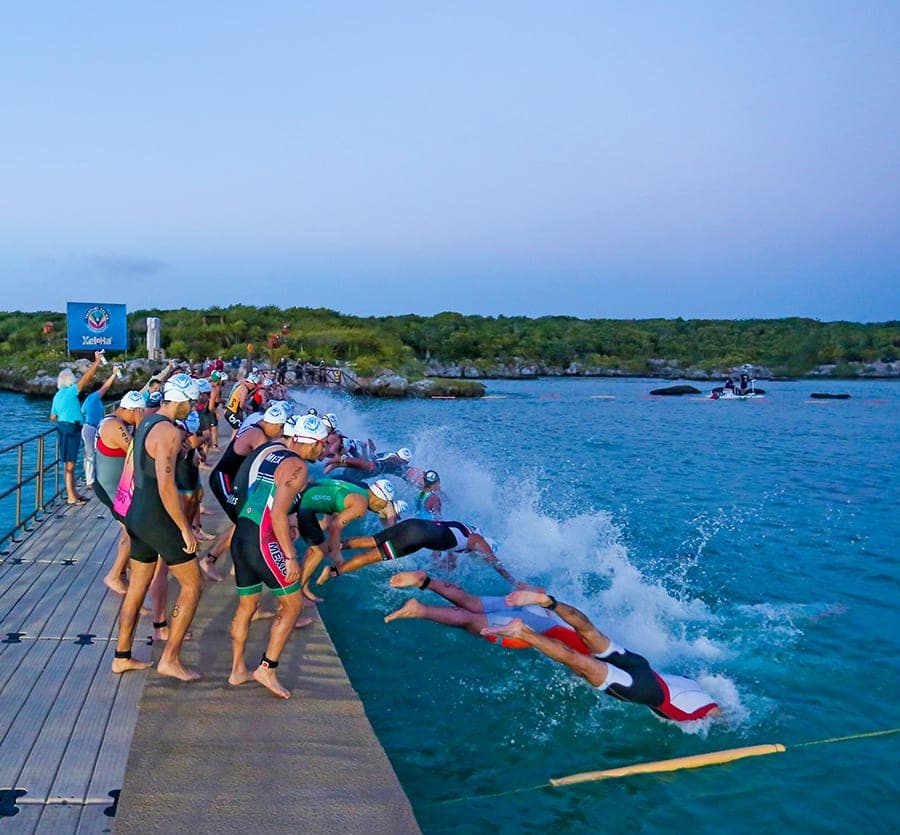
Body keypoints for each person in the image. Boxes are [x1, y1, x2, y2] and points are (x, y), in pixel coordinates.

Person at [480, 591, 720, 723]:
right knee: (577, 661)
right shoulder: (703, 713)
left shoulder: (691, 683)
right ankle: (523, 632)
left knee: (590, 632)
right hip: (643, 689)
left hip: (642, 667)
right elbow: (716, 720)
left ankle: (547, 601)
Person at [226, 414, 328, 698]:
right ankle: (266, 669)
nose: (323, 451)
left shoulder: (276, 454)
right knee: (293, 604)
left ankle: (237, 670)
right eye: (322, 445)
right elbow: (280, 514)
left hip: (243, 532)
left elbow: (263, 494)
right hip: (262, 537)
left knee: (247, 605)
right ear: (314, 443)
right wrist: (290, 557)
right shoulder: (298, 467)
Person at [112, 373, 202, 681]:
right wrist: (185, 528)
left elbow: (133, 467)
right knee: (192, 585)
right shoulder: (170, 433)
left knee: (137, 587)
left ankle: (121, 657)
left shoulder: (146, 422)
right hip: (157, 518)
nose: (193, 408)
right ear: (181, 401)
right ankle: (170, 659)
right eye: (192, 403)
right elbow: (166, 487)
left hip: (137, 513)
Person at [384, 570, 587, 651]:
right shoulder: (592, 657)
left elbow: (542, 592)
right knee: (469, 619)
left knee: (470, 602)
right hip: (539, 627)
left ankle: (426, 582)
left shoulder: (595, 635)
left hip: (540, 609)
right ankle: (419, 610)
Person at [203, 402, 289, 581]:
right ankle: (214, 561)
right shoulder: (258, 435)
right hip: (223, 479)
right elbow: (267, 462)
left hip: (231, 479)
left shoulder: (257, 424)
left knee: (242, 521)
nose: (281, 433)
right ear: (273, 424)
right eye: (281, 429)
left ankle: (222, 562)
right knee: (244, 523)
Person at [320, 518, 521, 586]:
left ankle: (328, 546)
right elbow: (496, 563)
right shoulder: (477, 542)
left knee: (371, 541)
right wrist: (513, 581)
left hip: (413, 525)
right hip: (416, 538)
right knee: (369, 557)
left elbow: (447, 556)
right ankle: (332, 572)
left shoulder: (461, 531)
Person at [296, 476, 397, 600]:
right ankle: (297, 594)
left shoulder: (364, 490)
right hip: (309, 501)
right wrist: (336, 553)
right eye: (384, 505)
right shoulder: (362, 505)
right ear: (381, 500)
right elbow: (335, 526)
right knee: (319, 552)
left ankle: (303, 586)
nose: (383, 508)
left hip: (317, 490)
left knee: (317, 542)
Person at [94, 390, 146, 594]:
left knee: (128, 529)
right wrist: (141, 423)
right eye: (139, 412)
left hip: (113, 486)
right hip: (109, 488)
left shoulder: (112, 419)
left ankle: (122, 572)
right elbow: (138, 450)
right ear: (135, 410)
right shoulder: (114, 426)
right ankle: (114, 575)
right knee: (133, 530)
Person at [50, 352, 104, 505]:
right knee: (70, 465)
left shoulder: (57, 395)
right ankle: (71, 497)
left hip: (63, 428)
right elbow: (86, 378)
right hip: (71, 428)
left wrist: (64, 413)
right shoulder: (71, 392)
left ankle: (73, 493)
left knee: (69, 463)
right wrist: (97, 362)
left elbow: (52, 417)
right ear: (70, 380)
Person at [81, 365, 118, 490]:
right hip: (91, 428)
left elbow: (82, 412)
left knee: (91, 454)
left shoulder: (89, 400)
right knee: (91, 454)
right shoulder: (94, 397)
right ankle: (90, 481)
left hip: (90, 427)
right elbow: (105, 387)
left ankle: (91, 477)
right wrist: (113, 375)